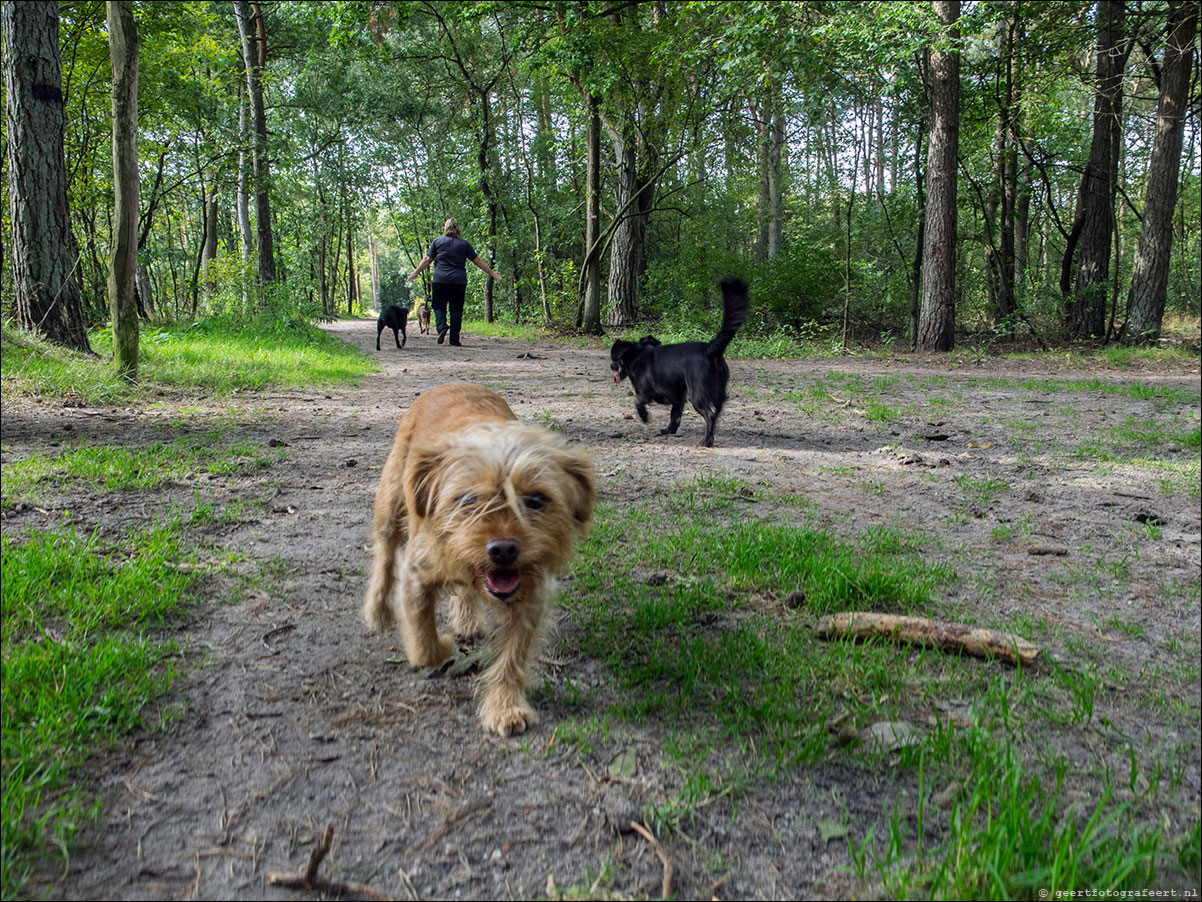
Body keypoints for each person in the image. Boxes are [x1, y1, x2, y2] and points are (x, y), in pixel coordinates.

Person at [406, 219, 500, 347]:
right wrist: (491, 273)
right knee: (456, 310)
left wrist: (415, 273)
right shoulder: (464, 244)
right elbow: (477, 260)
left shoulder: (437, 242)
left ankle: (442, 326)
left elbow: (427, 259)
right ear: (458, 229)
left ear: (445, 228)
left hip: (440, 280)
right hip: (458, 281)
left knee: (439, 306)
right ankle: (454, 339)